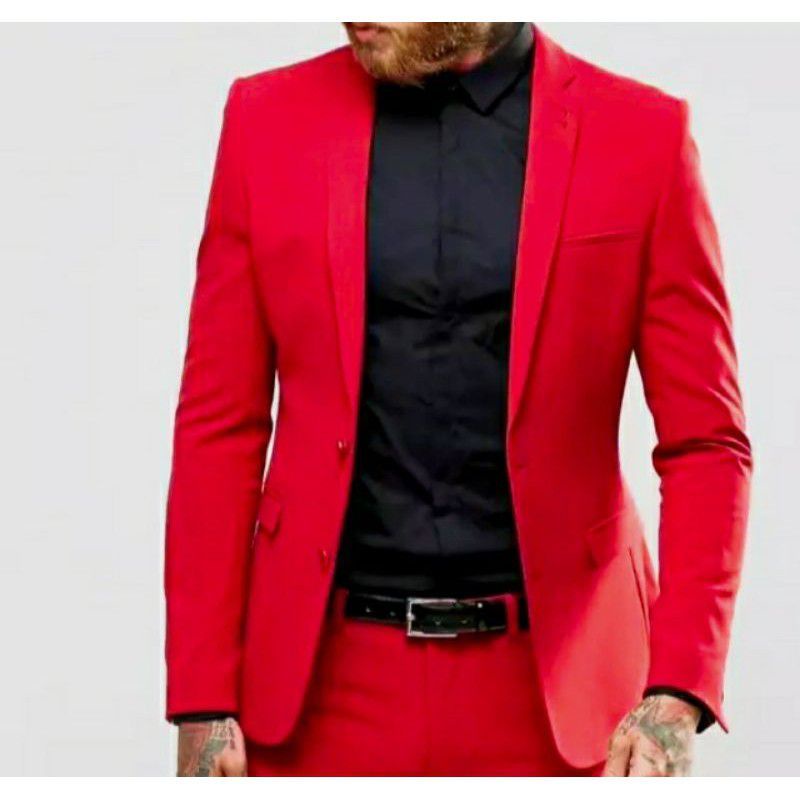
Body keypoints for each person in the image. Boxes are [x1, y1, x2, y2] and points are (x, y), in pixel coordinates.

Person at [165, 22, 752, 777]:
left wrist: (679, 686)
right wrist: (202, 694)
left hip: (570, 699)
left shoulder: (644, 134)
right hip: (316, 692)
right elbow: (219, 424)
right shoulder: (266, 120)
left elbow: (706, 442)